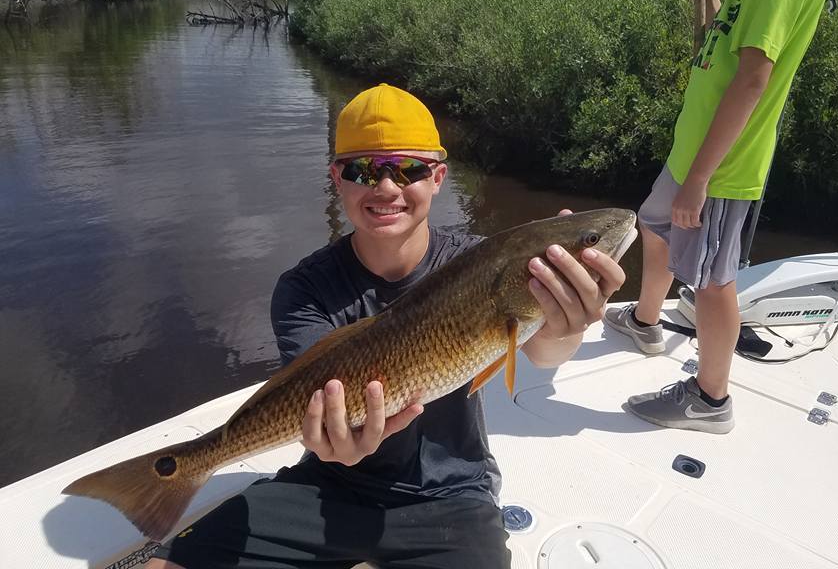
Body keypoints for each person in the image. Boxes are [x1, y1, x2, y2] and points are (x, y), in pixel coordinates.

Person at [147, 83, 626, 569]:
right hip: (330, 483)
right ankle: (181, 472)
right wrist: (337, 444)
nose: (387, 187)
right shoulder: (302, 289)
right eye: (362, 170)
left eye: (409, 169)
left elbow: (544, 354)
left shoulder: (477, 262)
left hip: (451, 497)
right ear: (337, 178)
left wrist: (566, 323)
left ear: (438, 177)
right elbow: (311, 397)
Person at [605, 0, 828, 433]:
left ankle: (710, 400)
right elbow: (718, 53)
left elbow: (755, 79)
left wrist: (701, 179)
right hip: (693, 151)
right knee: (652, 224)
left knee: (711, 279)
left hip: (720, 165)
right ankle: (647, 321)